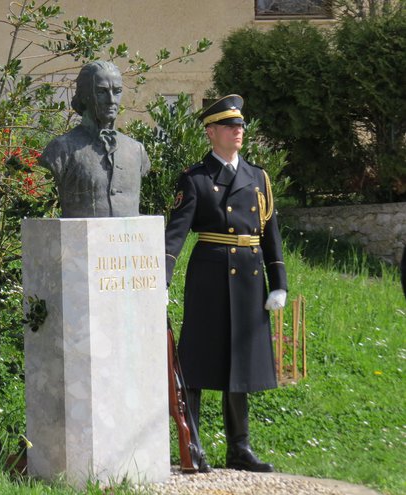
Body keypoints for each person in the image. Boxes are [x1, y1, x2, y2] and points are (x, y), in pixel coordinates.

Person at [164, 95, 287, 473]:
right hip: (210, 278)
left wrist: (278, 282)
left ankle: (239, 448)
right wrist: (161, 279)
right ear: (211, 132)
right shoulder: (196, 178)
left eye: (241, 127)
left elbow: (271, 234)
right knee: (198, 362)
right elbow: (176, 234)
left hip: (250, 279)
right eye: (231, 126)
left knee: (242, 366)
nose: (239, 131)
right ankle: (193, 446)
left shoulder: (257, 177)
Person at [39, 61, 150, 218]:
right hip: (80, 237)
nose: (112, 100)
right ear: (84, 96)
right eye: (102, 92)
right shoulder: (61, 149)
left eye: (117, 91)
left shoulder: (136, 150)